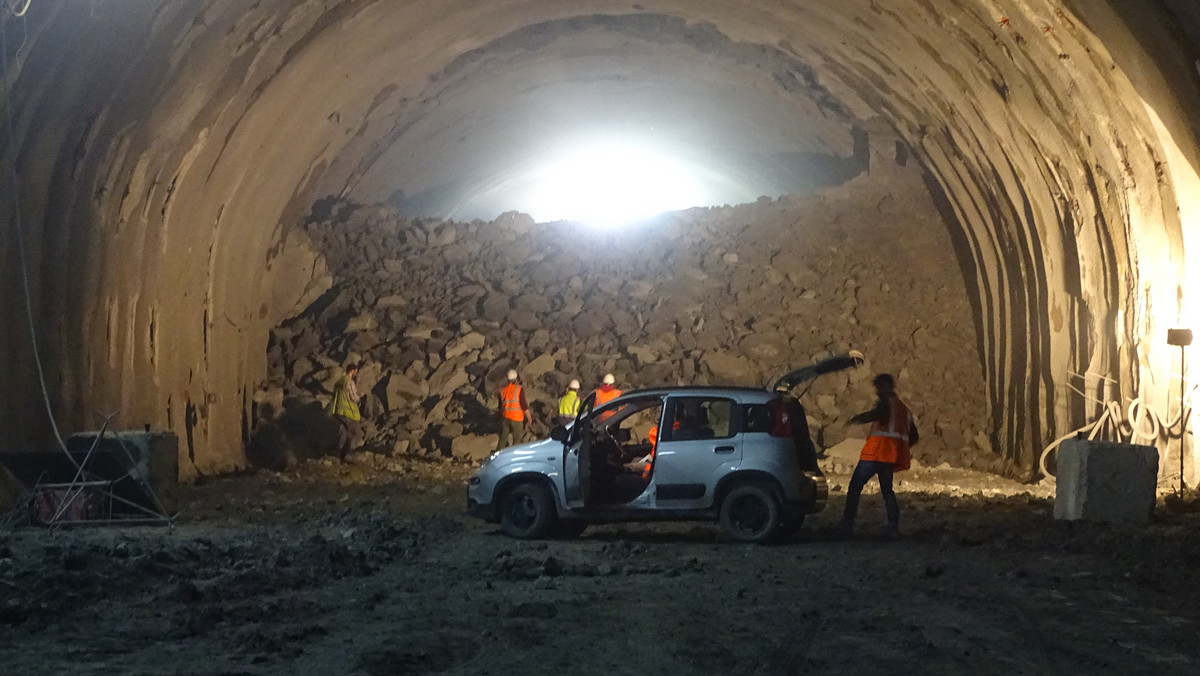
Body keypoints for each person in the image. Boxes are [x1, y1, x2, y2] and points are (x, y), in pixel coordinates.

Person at [836, 373, 918, 538]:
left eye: (879, 387)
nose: (877, 391)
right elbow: (914, 436)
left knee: (855, 486)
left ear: (886, 386)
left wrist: (856, 419)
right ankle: (892, 525)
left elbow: (878, 414)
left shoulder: (886, 404)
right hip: (890, 456)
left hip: (875, 453)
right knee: (887, 491)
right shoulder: (904, 410)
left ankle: (847, 523)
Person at [328, 362, 364, 459]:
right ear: (352, 371)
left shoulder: (338, 383)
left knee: (343, 432)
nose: (356, 374)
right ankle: (349, 454)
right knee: (357, 434)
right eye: (355, 372)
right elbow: (353, 398)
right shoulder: (349, 382)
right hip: (348, 412)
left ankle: (338, 453)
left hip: (338, 411)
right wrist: (359, 396)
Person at [497, 369, 531, 450]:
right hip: (517, 419)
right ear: (516, 379)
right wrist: (529, 418)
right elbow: (524, 406)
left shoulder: (503, 391)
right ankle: (515, 456)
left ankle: (497, 454)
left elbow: (500, 407)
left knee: (503, 439)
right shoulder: (519, 389)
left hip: (506, 418)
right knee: (517, 440)